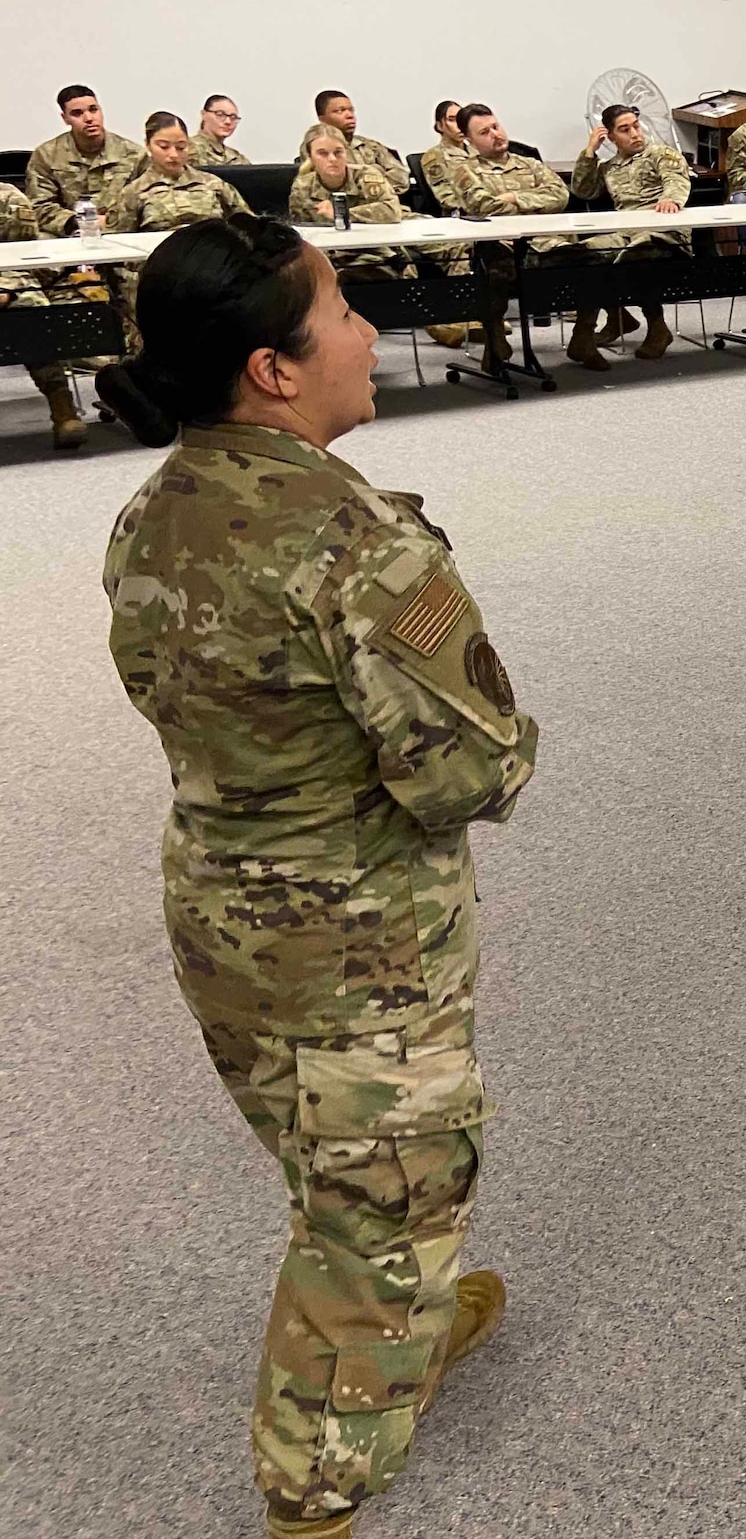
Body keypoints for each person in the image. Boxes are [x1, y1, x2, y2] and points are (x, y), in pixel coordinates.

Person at [97, 213, 534, 1539]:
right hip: (356, 945)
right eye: (340, 311)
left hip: (221, 912)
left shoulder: (152, 510)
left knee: (325, 1153)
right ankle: (314, 1486)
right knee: (386, 1202)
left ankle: (391, 1319)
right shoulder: (360, 550)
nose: (363, 335)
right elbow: (471, 772)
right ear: (273, 370)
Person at [291, 124, 470, 350]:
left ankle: (461, 316)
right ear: (310, 156)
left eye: (338, 152)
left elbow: (391, 211)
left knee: (455, 247)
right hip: (337, 252)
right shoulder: (303, 186)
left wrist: (344, 213)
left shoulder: (367, 175)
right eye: (323, 154)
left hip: (381, 244)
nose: (332, 159)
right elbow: (303, 231)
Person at [451, 104, 584, 370]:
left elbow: (559, 196)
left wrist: (513, 197)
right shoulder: (465, 172)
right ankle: (494, 337)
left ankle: (585, 337)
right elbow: (485, 206)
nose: (496, 134)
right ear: (469, 140)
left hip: (549, 243)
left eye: (496, 126)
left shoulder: (530, 164)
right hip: (504, 249)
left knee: (591, 261)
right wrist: (535, 202)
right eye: (484, 132)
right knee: (492, 269)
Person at [572, 103, 694, 359]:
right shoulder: (609, 167)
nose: (635, 134)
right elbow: (583, 191)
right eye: (625, 130)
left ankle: (658, 327)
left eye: (636, 126)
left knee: (637, 253)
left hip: (663, 230)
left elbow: (676, 181)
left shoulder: (662, 154)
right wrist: (590, 151)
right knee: (584, 255)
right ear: (611, 137)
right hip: (625, 232)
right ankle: (613, 320)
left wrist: (670, 199)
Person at [0, 180, 99, 448]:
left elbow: (24, 252)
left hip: (9, 280)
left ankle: (63, 410)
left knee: (32, 312)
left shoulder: (8, 196)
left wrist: (7, 288)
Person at [26, 84, 145, 237]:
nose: (89, 118)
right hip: (68, 233)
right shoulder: (47, 155)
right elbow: (38, 206)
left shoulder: (133, 154)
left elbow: (146, 201)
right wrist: (81, 222)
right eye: (77, 113)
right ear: (65, 118)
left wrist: (114, 222)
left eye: (93, 110)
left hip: (121, 231)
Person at [106, 111, 251, 233]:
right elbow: (117, 247)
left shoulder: (213, 184)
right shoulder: (134, 193)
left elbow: (249, 225)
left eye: (181, 147)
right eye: (164, 147)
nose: (173, 154)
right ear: (148, 145)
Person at [299, 91, 412, 195]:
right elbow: (330, 182)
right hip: (344, 209)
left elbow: (401, 176)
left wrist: (374, 188)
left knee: (425, 218)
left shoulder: (370, 146)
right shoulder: (314, 147)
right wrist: (376, 174)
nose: (349, 115)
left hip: (386, 205)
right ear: (322, 119)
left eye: (351, 110)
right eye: (340, 111)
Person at [419, 101, 471, 215]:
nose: (459, 125)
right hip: (462, 216)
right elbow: (447, 198)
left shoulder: (477, 151)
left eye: (461, 119)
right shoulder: (434, 156)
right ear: (439, 126)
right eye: (452, 120)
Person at [189, 94, 250, 167]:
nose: (228, 122)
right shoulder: (187, 148)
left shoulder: (237, 158)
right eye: (220, 114)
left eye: (233, 117)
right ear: (203, 114)